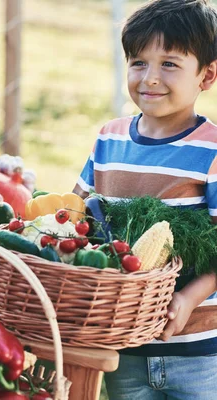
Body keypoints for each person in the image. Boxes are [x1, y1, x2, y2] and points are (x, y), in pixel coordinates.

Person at [74, 0, 217, 398]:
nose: (150, 78)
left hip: (197, 350)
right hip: (123, 347)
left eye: (169, 64)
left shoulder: (211, 151)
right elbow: (73, 215)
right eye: (138, 62)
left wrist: (189, 298)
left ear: (207, 75)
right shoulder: (109, 138)